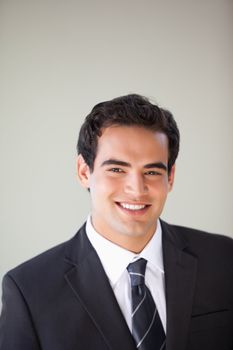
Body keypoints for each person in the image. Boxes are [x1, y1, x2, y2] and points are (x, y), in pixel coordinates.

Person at [0, 94, 232, 350]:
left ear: (171, 177)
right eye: (117, 169)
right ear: (84, 171)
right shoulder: (29, 291)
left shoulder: (224, 259)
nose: (136, 188)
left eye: (152, 171)